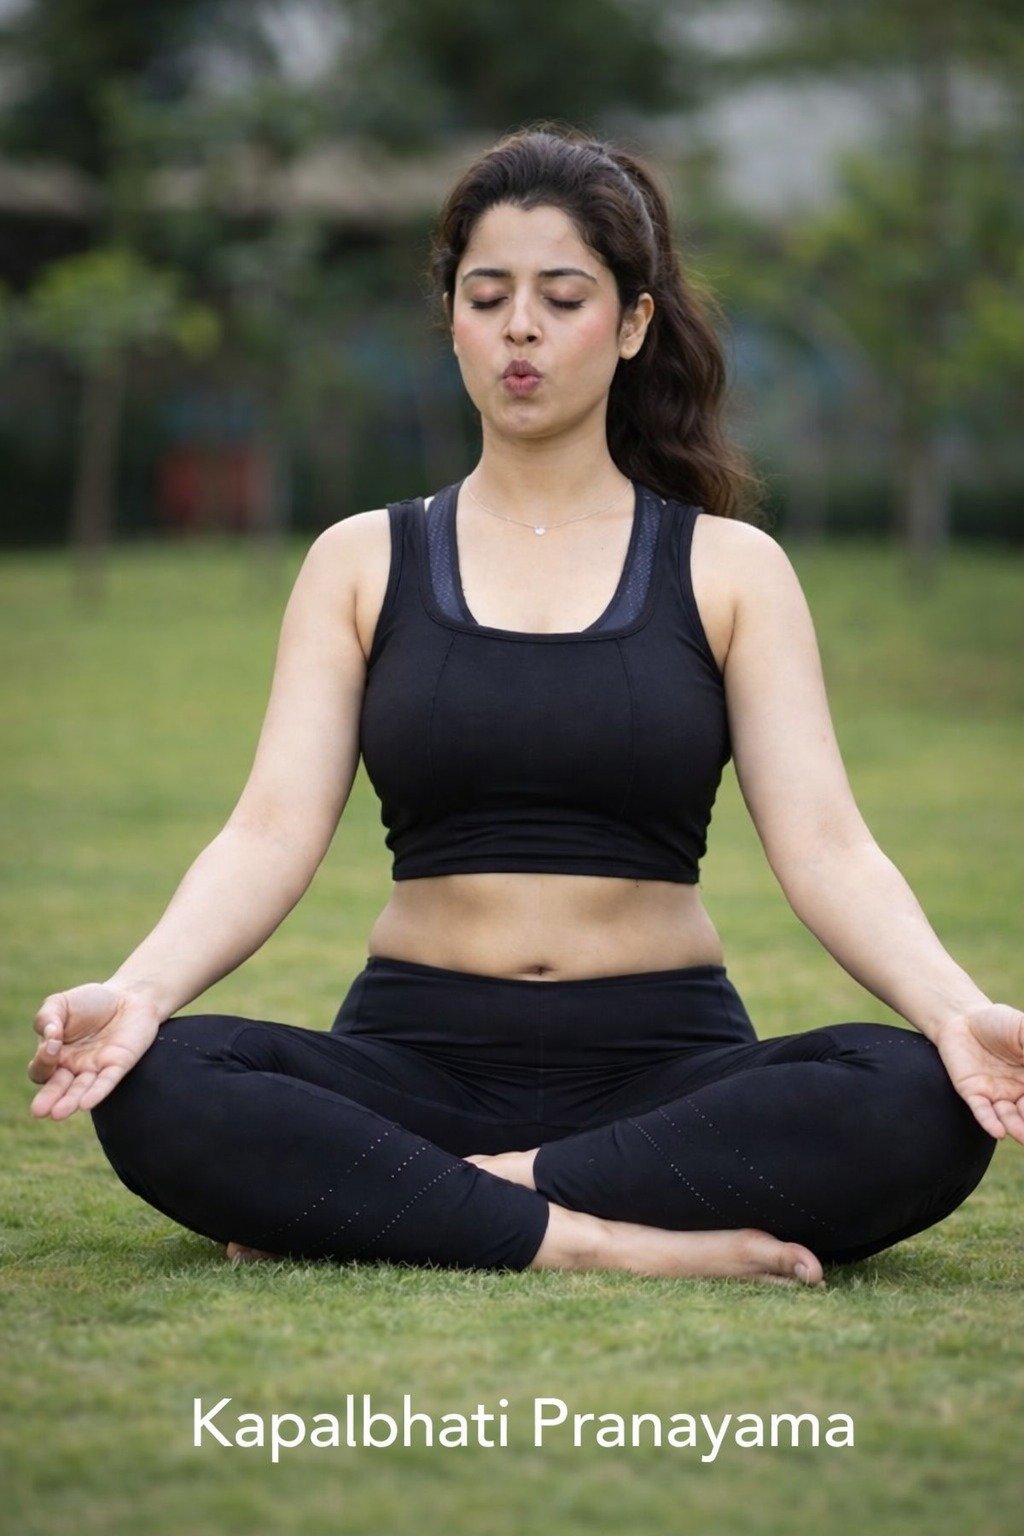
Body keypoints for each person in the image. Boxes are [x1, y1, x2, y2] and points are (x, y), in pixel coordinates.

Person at [27, 125, 1022, 1289]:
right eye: (486, 294)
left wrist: (956, 1013)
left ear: (634, 323)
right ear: (450, 316)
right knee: (160, 1084)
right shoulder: (361, 560)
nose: (521, 328)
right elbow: (267, 832)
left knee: (916, 1101)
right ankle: (602, 1239)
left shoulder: (730, 568)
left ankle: (422, 1203)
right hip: (412, 1060)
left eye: (563, 296)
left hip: (663, 1067)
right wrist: (139, 994)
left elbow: (827, 848)